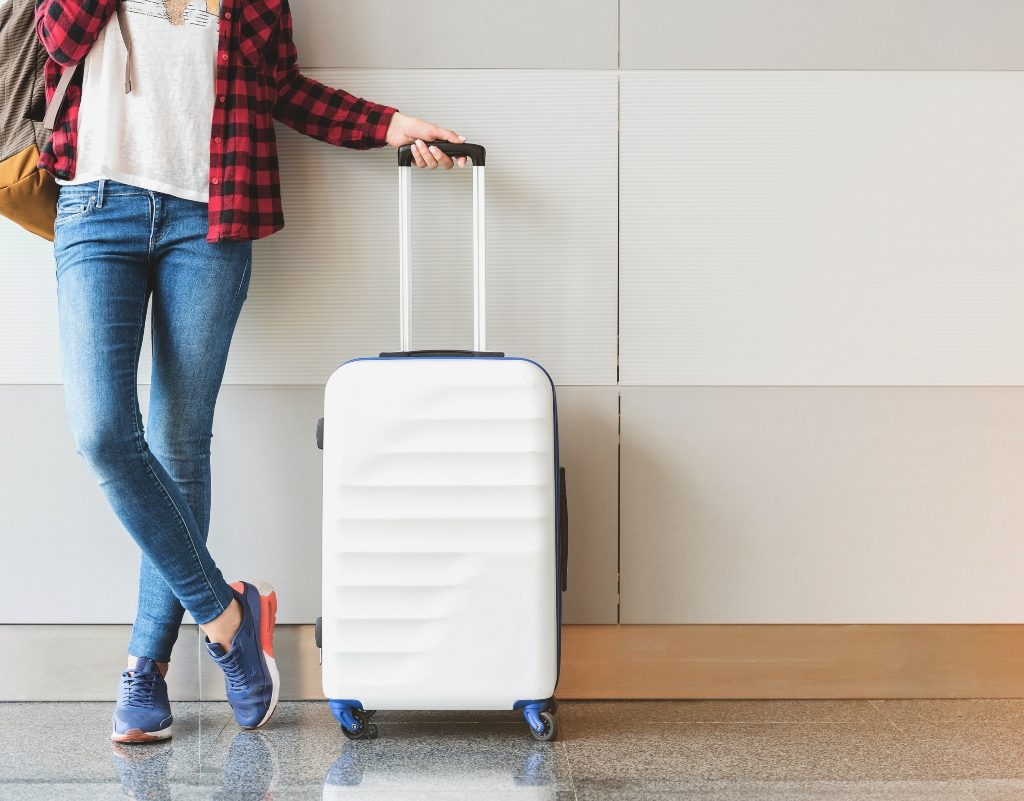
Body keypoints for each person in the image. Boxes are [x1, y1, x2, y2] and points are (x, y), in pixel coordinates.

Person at [33, 0, 467, 743]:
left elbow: (283, 89)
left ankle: (146, 665)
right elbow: (58, 36)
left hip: (211, 219)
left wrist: (386, 125)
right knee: (104, 432)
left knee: (178, 442)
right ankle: (227, 615)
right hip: (96, 205)